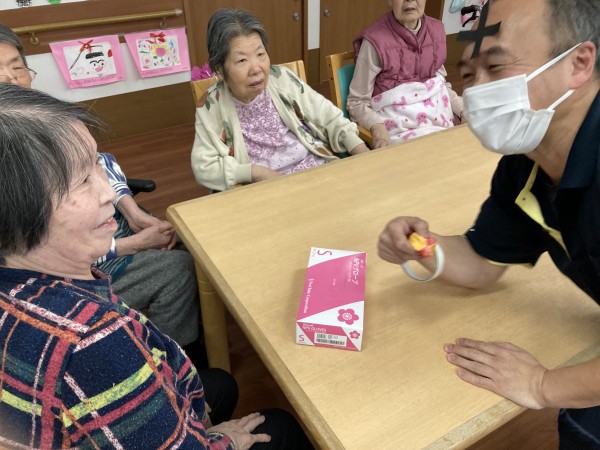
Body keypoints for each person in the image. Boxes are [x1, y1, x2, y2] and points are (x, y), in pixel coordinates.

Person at [0, 83, 314, 449]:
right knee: (282, 426)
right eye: (82, 180)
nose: (108, 192)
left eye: (97, 164)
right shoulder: (95, 343)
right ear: (16, 216)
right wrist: (222, 440)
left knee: (220, 384)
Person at [377, 0, 600, 446]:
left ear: (578, 63)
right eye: (468, 75)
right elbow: (482, 261)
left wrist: (542, 384)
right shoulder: (526, 164)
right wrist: (419, 246)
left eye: (496, 68)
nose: (478, 91)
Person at [0, 23, 205, 365]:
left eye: (17, 67)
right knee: (179, 267)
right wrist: (133, 244)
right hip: (79, 268)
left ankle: (192, 332)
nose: (11, 79)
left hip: (101, 232)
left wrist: (133, 212)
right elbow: (49, 253)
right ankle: (176, 358)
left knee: (185, 239)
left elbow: (103, 161)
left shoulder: (42, 119)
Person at [191, 8, 370, 192]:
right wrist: (254, 172)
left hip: (314, 173)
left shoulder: (282, 78)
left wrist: (361, 151)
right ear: (220, 70)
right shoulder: (211, 104)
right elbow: (204, 167)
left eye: (260, 54)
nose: (256, 69)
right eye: (242, 60)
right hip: (263, 190)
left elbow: (328, 116)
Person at [348, 0, 464, 148]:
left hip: (440, 126)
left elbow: (440, 86)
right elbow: (356, 102)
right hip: (399, 132)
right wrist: (377, 128)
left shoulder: (436, 31)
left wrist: (463, 111)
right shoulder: (374, 41)